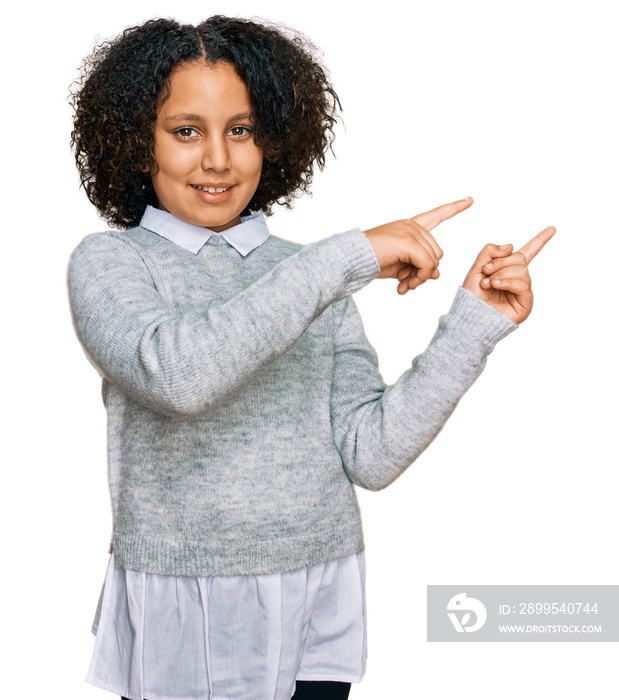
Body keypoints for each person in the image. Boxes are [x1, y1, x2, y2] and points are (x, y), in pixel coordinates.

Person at [67, 15, 554, 700]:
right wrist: (349, 256)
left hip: (318, 590)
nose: (217, 159)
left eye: (240, 129)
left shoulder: (313, 275)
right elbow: (178, 376)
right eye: (186, 130)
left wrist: (472, 325)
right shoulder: (111, 262)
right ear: (133, 141)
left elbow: (370, 455)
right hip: (186, 595)